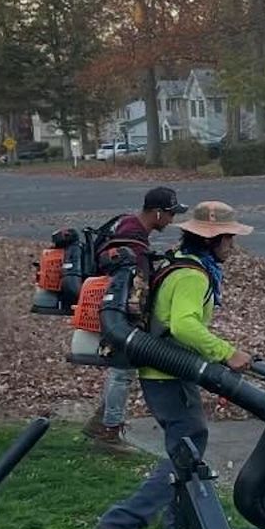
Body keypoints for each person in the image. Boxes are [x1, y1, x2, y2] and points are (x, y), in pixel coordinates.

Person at [95, 200, 255, 529]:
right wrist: (228, 353)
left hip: (163, 368)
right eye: (229, 239)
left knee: (182, 445)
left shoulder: (179, 261)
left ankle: (178, 523)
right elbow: (183, 325)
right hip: (169, 372)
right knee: (188, 446)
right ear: (213, 241)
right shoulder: (193, 275)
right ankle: (121, 522)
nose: (233, 245)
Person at [84, 185, 187, 452]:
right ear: (156, 213)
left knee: (121, 371)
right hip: (120, 316)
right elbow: (132, 289)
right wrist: (136, 324)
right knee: (123, 371)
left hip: (114, 312)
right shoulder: (131, 243)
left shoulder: (127, 227)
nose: (172, 220)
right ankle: (108, 432)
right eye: (170, 214)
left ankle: (100, 422)